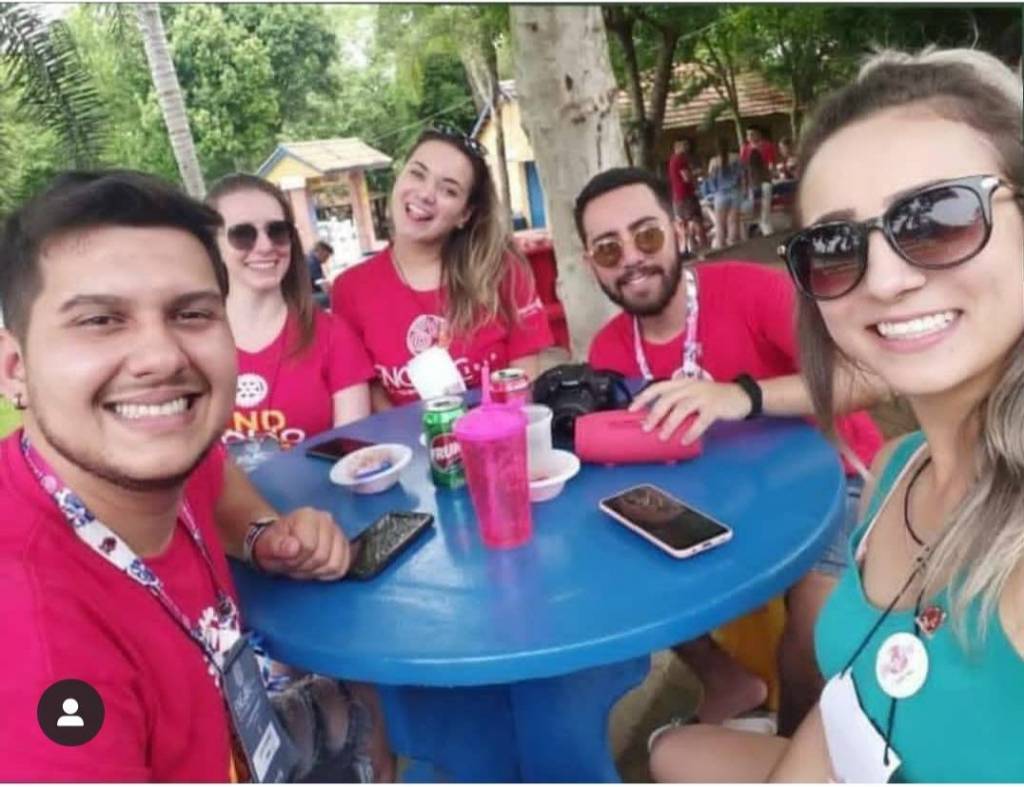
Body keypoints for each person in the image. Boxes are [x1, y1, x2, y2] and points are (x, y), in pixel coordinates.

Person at [648, 47, 1024, 782]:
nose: (884, 278)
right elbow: (850, 698)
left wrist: (739, 397)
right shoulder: (894, 471)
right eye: (835, 245)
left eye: (940, 217)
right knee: (670, 750)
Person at [0, 170, 392, 780]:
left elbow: (215, 473)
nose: (162, 357)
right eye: (100, 320)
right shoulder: (37, 647)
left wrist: (262, 534)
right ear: (15, 368)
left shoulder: (159, 457)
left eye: (191, 313)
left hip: (233, 736)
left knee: (371, 703)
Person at [576, 166, 887, 734]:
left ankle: (788, 750)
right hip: (720, 498)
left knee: (812, 635)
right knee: (615, 551)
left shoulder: (751, 289)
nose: (632, 258)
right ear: (590, 263)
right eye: (609, 248)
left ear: (677, 230)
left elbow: (868, 376)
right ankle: (726, 682)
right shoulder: (608, 349)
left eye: (646, 235)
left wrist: (741, 396)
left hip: (836, 476)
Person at [331, 126, 553, 409]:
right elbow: (369, 393)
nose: (426, 194)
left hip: (499, 430)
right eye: (417, 174)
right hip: (405, 437)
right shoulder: (350, 289)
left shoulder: (502, 270)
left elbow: (523, 385)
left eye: (448, 190)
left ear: (465, 214)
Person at [206, 175, 372, 470]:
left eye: (277, 231)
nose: (265, 246)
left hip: (319, 498)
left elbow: (351, 461)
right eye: (243, 234)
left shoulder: (333, 335)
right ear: (212, 244)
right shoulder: (190, 341)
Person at [666, 138, 707, 256]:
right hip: (686, 194)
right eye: (684, 145)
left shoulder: (672, 160)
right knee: (696, 220)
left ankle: (690, 248)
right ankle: (704, 247)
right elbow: (686, 177)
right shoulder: (680, 159)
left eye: (687, 145)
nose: (686, 147)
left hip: (678, 196)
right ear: (677, 146)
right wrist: (698, 174)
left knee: (685, 223)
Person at [706, 138, 745, 249]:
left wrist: (713, 191)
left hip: (720, 194)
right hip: (735, 192)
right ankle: (733, 245)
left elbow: (711, 180)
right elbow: (742, 175)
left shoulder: (713, 162)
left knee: (720, 224)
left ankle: (721, 246)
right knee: (733, 221)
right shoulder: (736, 157)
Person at [306, 239, 333, 309]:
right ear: (320, 252)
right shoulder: (312, 263)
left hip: (307, 295)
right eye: (326, 256)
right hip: (306, 298)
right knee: (333, 298)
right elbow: (324, 286)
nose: (326, 259)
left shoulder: (309, 259)